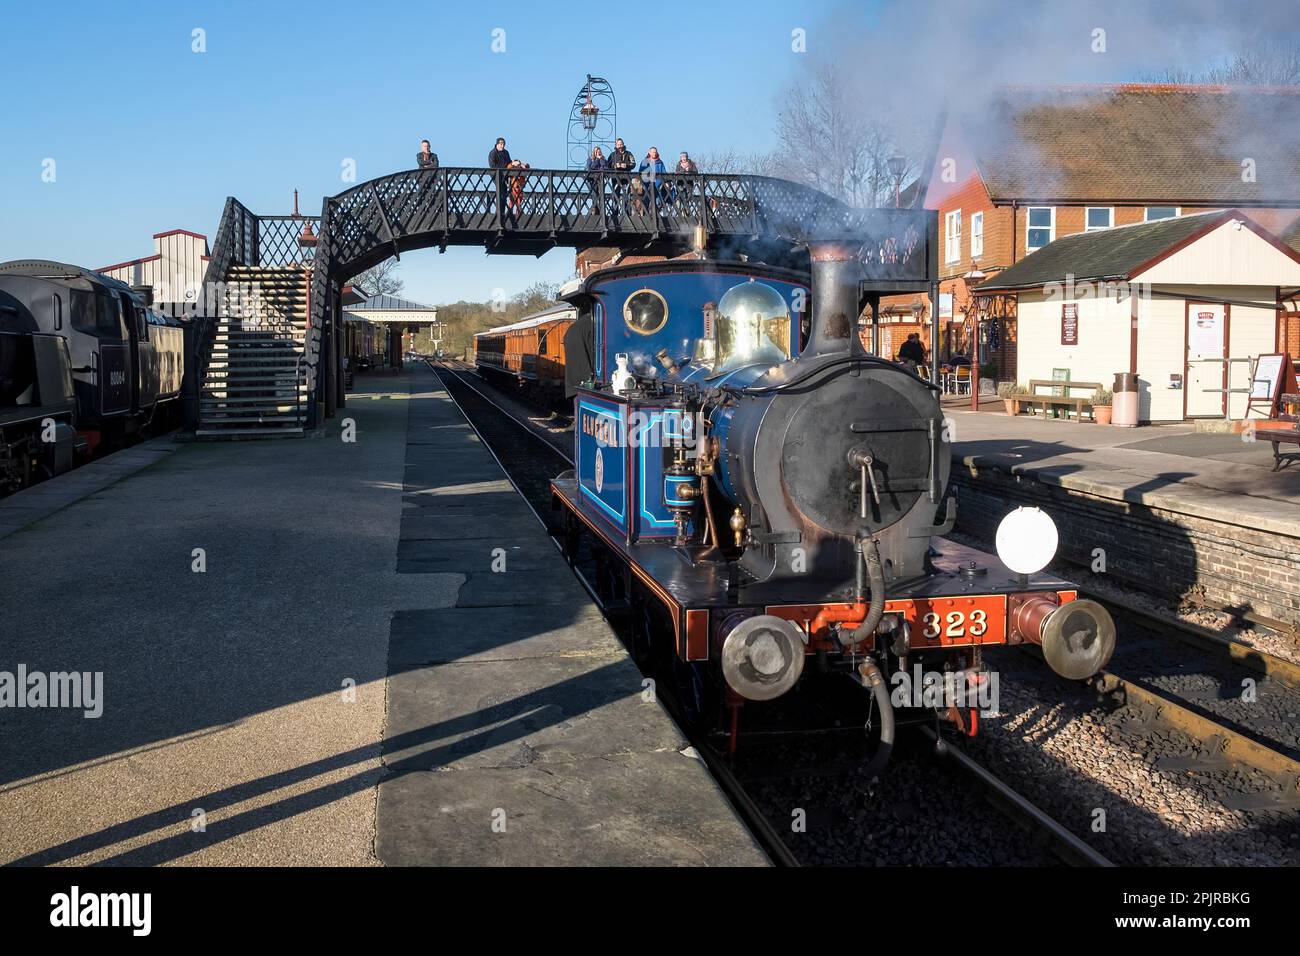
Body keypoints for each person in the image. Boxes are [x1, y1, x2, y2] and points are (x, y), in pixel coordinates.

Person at [584, 146, 608, 213]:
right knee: (594, 195)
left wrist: (602, 160)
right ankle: (594, 211)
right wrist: (597, 159)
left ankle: (601, 211)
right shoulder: (590, 159)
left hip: (600, 179)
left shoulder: (603, 159)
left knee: (601, 195)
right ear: (594, 152)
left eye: (599, 151)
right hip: (592, 180)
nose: (598, 152)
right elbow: (591, 168)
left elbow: (606, 168)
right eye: (597, 151)